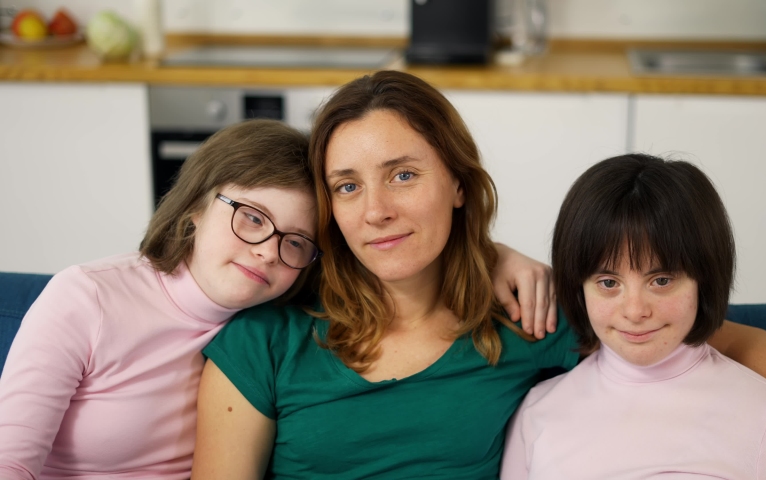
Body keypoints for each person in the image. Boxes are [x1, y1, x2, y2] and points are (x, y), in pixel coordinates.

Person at [192, 71, 766, 480]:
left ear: (455, 181)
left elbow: (734, 340)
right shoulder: (264, 341)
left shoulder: (531, 319)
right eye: (346, 186)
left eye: (403, 174)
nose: (377, 212)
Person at [0, 117, 555, 480]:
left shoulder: (280, 304)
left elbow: (393, 249)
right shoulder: (89, 297)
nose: (267, 251)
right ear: (194, 207)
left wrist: (489, 253)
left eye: (294, 240)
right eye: (250, 218)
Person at [501, 153, 766, 479]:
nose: (635, 311)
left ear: (704, 278)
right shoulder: (536, 412)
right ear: (578, 287)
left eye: (661, 281)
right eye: (608, 282)